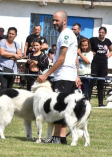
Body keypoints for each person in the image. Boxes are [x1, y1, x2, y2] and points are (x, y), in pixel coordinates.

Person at [36, 11, 81, 145]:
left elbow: (62, 59)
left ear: (65, 21)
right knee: (64, 106)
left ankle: (58, 138)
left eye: (57, 20)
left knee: (59, 107)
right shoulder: (65, 34)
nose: (54, 23)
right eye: (53, 20)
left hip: (64, 76)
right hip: (67, 76)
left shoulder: (66, 34)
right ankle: (59, 138)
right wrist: (77, 75)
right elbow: (74, 58)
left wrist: (46, 74)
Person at [88, 26, 112, 107]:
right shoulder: (93, 40)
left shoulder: (108, 41)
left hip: (103, 64)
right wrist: (91, 51)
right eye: (100, 32)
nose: (101, 34)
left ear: (105, 33)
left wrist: (108, 55)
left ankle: (100, 103)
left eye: (102, 33)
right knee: (91, 83)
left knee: (101, 84)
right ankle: (88, 101)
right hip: (95, 63)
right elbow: (85, 46)